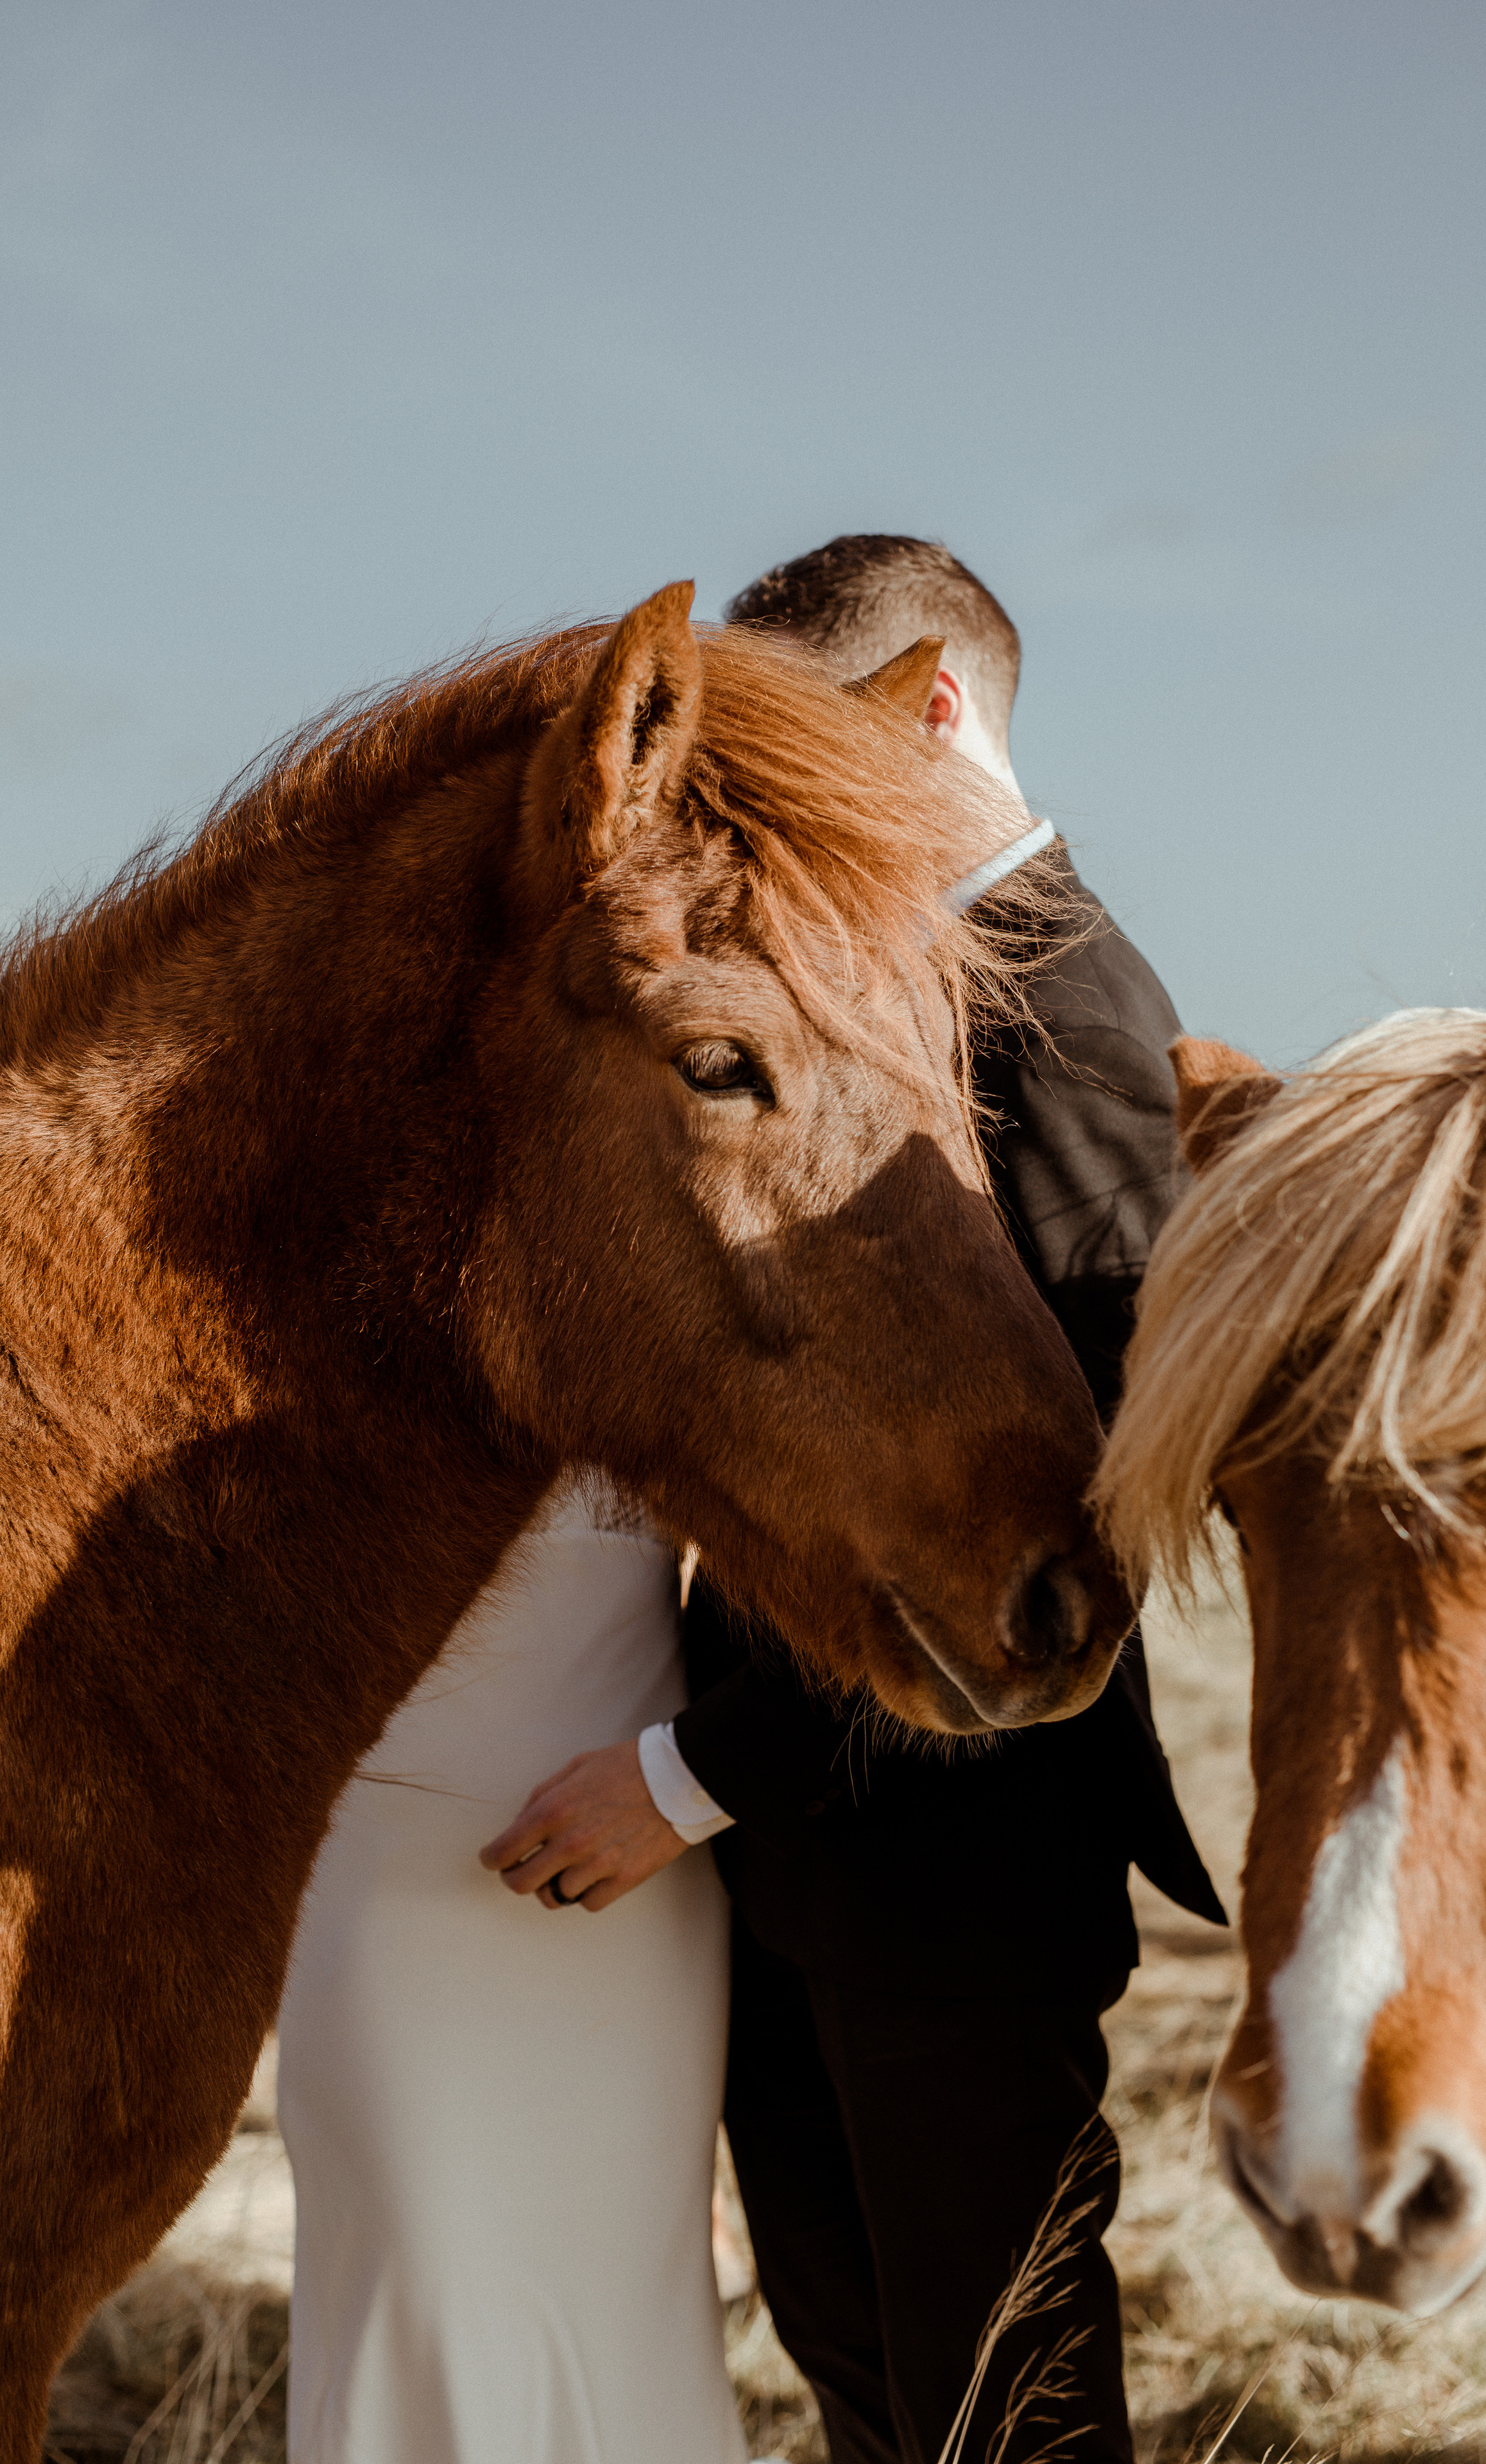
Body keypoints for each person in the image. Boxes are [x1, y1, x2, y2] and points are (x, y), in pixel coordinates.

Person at [486, 535, 1226, 2464]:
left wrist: (680, 1781)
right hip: (812, 1856)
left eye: (816, 751)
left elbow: (1050, 1529)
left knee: (1005, 2415)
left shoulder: (1070, 1011)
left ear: (931, 714)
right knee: (870, 2389)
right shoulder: (902, 976)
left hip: (965, 1861)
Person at [277, 1475, 747, 2464]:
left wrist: (686, 1781)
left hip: (631, 1856)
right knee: (424, 2266)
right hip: (379, 1850)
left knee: (624, 2291)